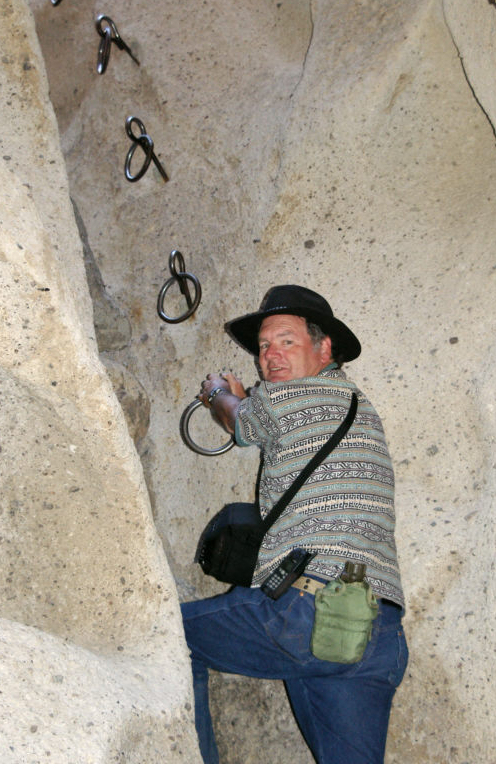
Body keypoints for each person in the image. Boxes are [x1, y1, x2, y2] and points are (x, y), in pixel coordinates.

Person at [181, 285, 408, 764]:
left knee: (165, 640)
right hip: (377, 634)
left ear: (324, 349)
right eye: (264, 346)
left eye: (286, 341)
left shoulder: (299, 394)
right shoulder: (361, 409)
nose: (270, 356)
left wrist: (219, 392)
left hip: (308, 613)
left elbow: (240, 423)